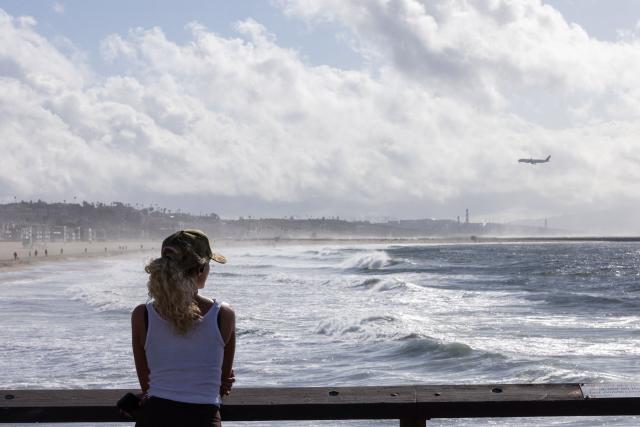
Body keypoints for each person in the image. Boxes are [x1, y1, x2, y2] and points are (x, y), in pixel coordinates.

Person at [129, 230, 236, 426]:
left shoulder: (142, 315)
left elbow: (148, 386)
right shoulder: (223, 315)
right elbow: (221, 386)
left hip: (154, 419)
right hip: (204, 420)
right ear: (201, 269)